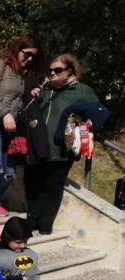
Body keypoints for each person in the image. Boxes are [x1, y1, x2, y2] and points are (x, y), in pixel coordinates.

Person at [0, 35, 43, 240]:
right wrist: (4, 113)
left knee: (8, 173)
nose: (30, 59)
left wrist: (29, 96)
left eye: (34, 56)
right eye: (27, 54)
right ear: (17, 49)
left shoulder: (21, 74)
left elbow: (16, 105)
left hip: (7, 128)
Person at [27, 54, 101, 235]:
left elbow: (99, 115)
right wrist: (31, 97)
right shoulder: (42, 89)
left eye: (58, 70)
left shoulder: (82, 91)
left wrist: (82, 118)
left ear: (71, 72)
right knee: (33, 183)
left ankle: (45, 223)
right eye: (50, 70)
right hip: (37, 145)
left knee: (53, 185)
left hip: (62, 148)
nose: (52, 73)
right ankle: (31, 220)